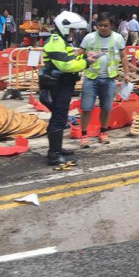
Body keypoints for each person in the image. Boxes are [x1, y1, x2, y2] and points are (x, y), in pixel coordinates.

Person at [41, 11, 96, 166]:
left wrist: (85, 57)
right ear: (64, 27)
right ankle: (54, 154)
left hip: (62, 85)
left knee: (60, 117)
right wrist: (87, 63)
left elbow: (70, 58)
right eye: (72, 30)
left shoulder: (62, 41)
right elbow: (65, 65)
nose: (73, 33)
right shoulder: (55, 41)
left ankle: (56, 148)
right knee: (58, 118)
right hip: (57, 85)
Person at [79, 12, 131, 147]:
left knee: (106, 108)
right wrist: (84, 57)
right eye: (100, 25)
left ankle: (103, 132)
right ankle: (84, 135)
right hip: (91, 79)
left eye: (105, 25)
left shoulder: (118, 38)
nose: (102, 28)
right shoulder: (88, 38)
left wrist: (127, 74)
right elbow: (78, 54)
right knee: (86, 108)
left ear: (111, 26)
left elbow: (123, 57)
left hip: (109, 80)